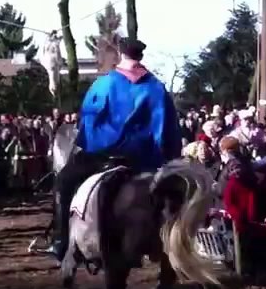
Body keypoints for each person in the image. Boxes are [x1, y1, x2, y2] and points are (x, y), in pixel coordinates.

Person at [47, 37, 182, 262]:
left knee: (63, 183)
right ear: (140, 56)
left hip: (103, 154)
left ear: (121, 54)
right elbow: (170, 127)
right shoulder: (157, 87)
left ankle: (60, 241)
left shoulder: (104, 83)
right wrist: (168, 157)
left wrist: (86, 143)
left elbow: (89, 120)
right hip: (145, 159)